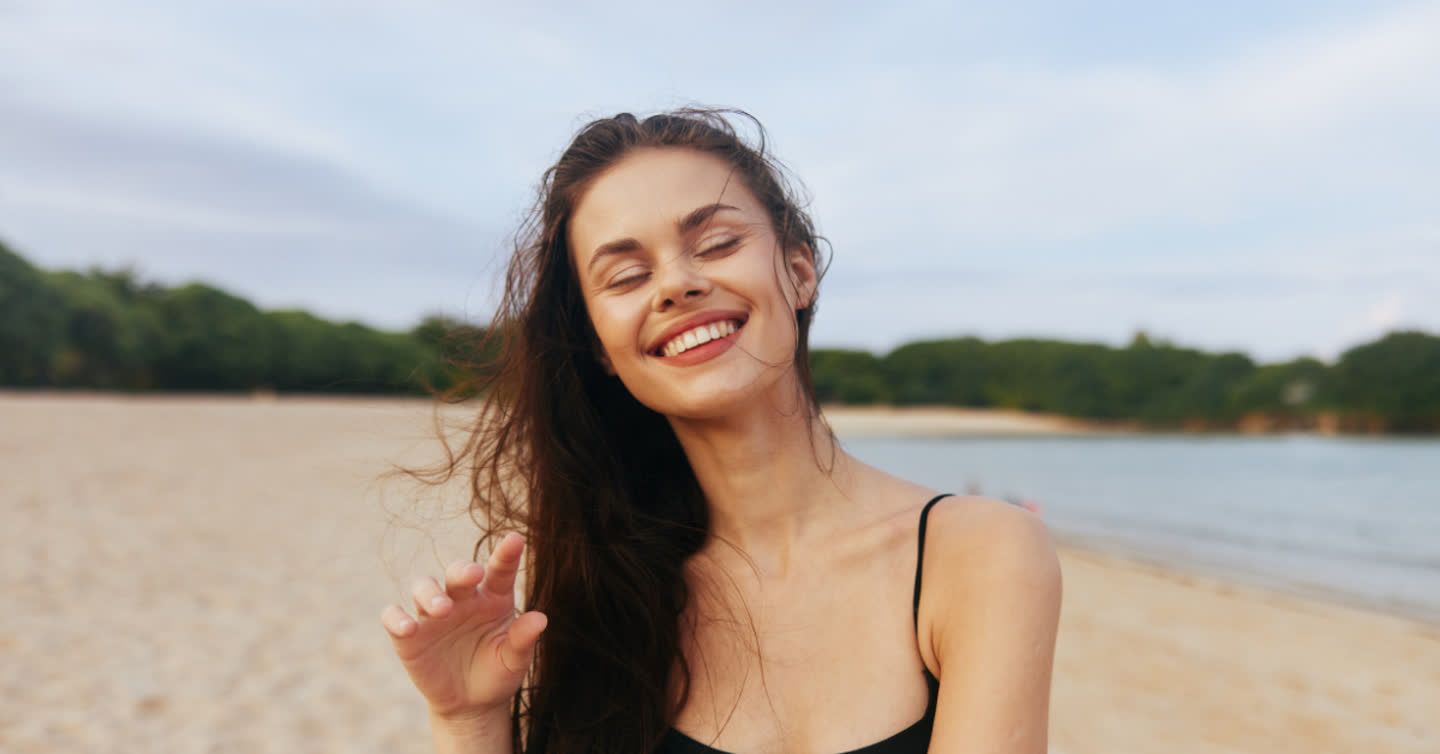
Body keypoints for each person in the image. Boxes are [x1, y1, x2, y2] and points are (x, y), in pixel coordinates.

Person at [379, 108, 1063, 754]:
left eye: (717, 243)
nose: (675, 285)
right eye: (627, 275)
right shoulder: (605, 592)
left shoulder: (980, 554)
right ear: (599, 349)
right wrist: (468, 720)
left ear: (799, 272)